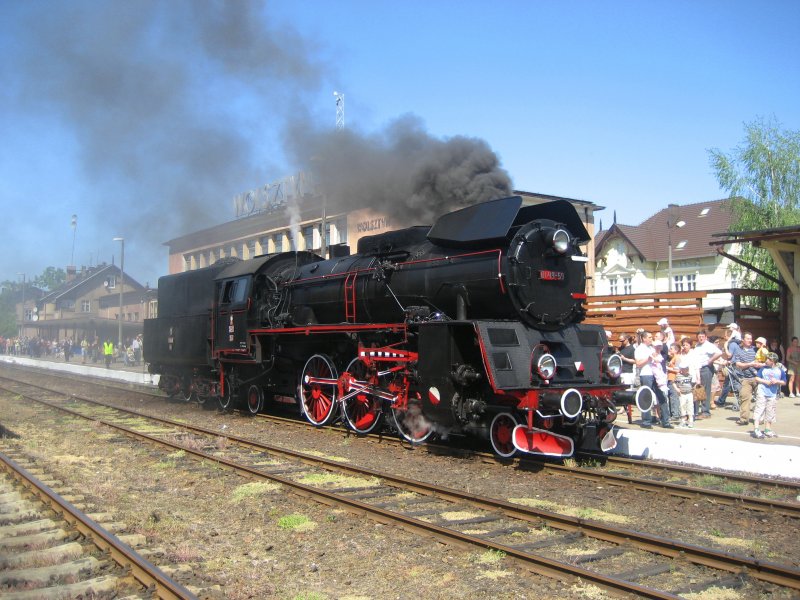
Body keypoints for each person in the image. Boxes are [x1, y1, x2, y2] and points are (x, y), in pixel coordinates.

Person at [634, 330, 672, 428]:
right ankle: (646, 421)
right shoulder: (639, 349)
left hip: (656, 374)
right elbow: (638, 363)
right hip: (646, 374)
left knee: (662, 396)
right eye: (650, 337)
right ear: (644, 338)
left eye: (652, 337)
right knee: (646, 397)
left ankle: (665, 421)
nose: (652, 339)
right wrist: (648, 359)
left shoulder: (652, 348)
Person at [731, 332, 763, 426]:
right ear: (743, 339)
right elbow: (738, 364)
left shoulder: (756, 349)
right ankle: (744, 419)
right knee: (744, 398)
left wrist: (759, 364)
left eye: (751, 339)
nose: (750, 340)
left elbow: (764, 359)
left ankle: (760, 418)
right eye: (748, 338)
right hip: (745, 378)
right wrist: (750, 364)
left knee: (760, 399)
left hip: (757, 378)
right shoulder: (738, 350)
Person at [692, 330, 723, 419]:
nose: (701, 338)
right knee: (698, 389)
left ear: (706, 337)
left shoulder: (709, 345)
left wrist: (710, 360)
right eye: (699, 337)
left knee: (705, 390)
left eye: (702, 336)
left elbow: (719, 353)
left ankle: (705, 412)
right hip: (697, 369)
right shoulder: (697, 345)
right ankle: (696, 412)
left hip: (706, 368)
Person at [752, 352, 782, 439]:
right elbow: (757, 378)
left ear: (773, 361)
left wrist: (777, 381)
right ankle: (756, 429)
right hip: (762, 392)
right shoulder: (763, 369)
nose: (766, 361)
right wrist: (765, 381)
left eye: (768, 359)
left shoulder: (779, 370)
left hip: (772, 393)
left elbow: (784, 381)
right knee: (759, 410)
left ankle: (767, 430)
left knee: (770, 411)